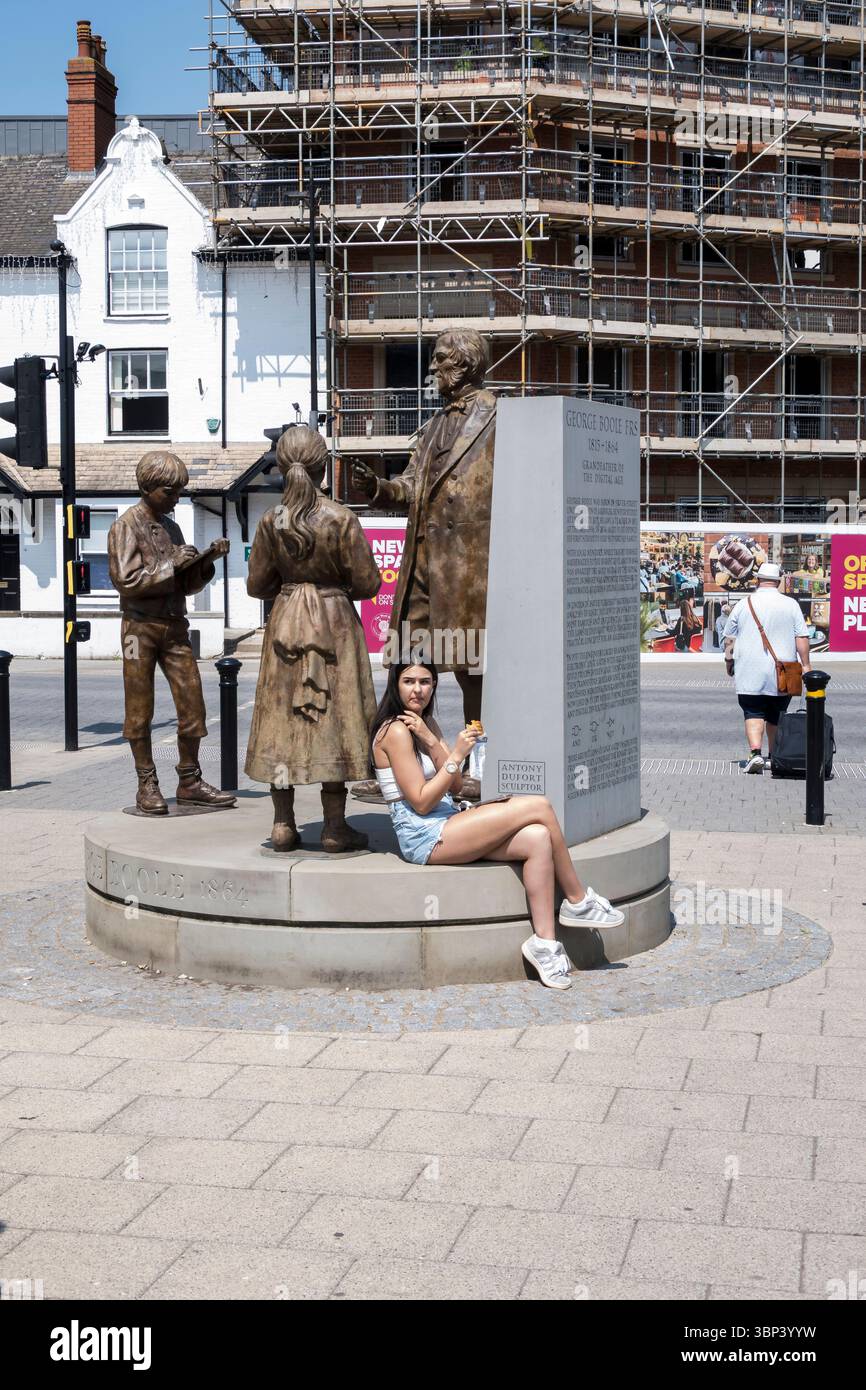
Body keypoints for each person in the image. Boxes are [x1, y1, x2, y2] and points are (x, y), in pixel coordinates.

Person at [370, 661, 625, 991]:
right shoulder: (395, 731)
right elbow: (420, 801)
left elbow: (456, 786)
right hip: (425, 837)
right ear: (395, 684)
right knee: (539, 805)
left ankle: (544, 945)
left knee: (537, 838)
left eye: (425, 681)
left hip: (449, 821)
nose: (417, 689)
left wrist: (434, 743)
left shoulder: (422, 723)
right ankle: (577, 900)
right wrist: (456, 753)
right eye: (408, 681)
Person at [245, 426, 381, 852]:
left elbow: (256, 584)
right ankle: (334, 827)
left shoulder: (272, 520)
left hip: (287, 623)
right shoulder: (342, 518)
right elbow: (368, 582)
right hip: (334, 621)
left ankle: (283, 824)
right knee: (334, 720)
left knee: (282, 721)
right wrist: (331, 590)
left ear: (282, 468)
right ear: (323, 467)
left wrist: (290, 588)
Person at [108, 451, 236, 815]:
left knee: (193, 705)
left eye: (179, 491)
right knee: (138, 709)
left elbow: (186, 585)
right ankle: (145, 783)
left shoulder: (172, 528)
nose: (176, 498)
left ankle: (190, 780)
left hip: (175, 626)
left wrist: (204, 562)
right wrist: (171, 564)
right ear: (148, 487)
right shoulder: (125, 527)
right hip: (138, 628)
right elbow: (127, 581)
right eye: (170, 491)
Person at [723, 562, 812, 773]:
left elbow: (729, 639)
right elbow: (801, 637)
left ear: (757, 580)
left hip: (749, 669)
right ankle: (774, 756)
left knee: (752, 711)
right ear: (779, 581)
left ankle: (755, 754)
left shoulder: (744, 604)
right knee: (778, 713)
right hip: (786, 669)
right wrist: (806, 665)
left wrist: (729, 662)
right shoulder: (791, 605)